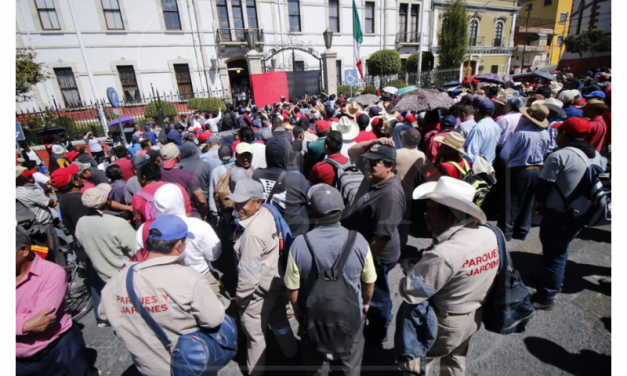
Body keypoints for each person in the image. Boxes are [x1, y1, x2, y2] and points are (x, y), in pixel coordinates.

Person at [98, 215, 226, 375]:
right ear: (179, 245)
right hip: (191, 364)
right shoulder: (189, 278)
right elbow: (213, 319)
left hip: (148, 368)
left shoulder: (118, 279)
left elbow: (104, 315)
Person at [398, 177, 499, 376]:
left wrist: (410, 270)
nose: (425, 216)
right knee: (455, 359)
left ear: (452, 218)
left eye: (431, 210)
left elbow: (411, 292)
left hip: (445, 324)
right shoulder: (490, 234)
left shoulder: (444, 255)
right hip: (473, 315)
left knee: (420, 363)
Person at [284, 184, 376, 375]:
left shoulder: (300, 244)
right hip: (351, 315)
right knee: (349, 365)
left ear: (311, 212)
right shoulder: (358, 240)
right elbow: (368, 281)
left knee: (316, 365)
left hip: (314, 317)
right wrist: (365, 303)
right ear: (343, 209)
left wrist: (298, 312)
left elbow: (292, 288)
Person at [225, 179, 298, 376]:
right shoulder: (268, 213)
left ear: (257, 201)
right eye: (236, 202)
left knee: (255, 335)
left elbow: (249, 276)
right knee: (280, 322)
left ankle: (256, 371)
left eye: (243, 203)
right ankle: (291, 353)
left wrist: (240, 300)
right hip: (275, 283)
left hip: (256, 295)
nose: (237, 208)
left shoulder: (252, 234)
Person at [533, 117, 605, 310]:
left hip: (560, 214)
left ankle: (546, 295)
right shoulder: (595, 155)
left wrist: (539, 205)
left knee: (554, 252)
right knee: (560, 250)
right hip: (582, 212)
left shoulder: (559, 156)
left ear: (565, 134)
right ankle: (553, 279)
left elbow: (543, 187)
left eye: (559, 132)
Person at [345, 139, 405, 344]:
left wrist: (364, 264)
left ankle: (378, 333)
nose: (368, 165)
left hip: (377, 257)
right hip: (366, 248)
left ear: (389, 166)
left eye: (375, 162)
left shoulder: (389, 195)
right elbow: (353, 152)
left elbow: (381, 239)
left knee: (378, 295)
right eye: (369, 161)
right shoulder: (375, 177)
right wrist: (374, 142)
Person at [16, 227, 93, 376]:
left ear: (24, 250)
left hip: (57, 353)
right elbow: (30, 323)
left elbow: (41, 322)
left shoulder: (52, 273)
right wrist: (24, 325)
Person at [135, 184, 227, 305]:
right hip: (200, 278)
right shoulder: (198, 225)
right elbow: (213, 255)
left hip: (162, 285)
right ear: (180, 201)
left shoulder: (145, 228)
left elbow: (140, 257)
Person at [498, 103, 551, 241]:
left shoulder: (521, 134)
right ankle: (521, 231)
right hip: (537, 170)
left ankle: (506, 232)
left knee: (511, 203)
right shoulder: (545, 134)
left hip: (519, 171)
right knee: (528, 202)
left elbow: (505, 155)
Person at [76, 183, 135, 283]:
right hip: (125, 275)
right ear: (108, 201)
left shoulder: (81, 222)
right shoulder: (117, 222)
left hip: (101, 276)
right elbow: (135, 249)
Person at [253, 136, 311, 237]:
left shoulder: (256, 175)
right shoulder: (297, 179)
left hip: (267, 235)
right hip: (293, 237)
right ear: (288, 155)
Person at [16, 166, 65, 267]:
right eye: (21, 176)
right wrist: (51, 199)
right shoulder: (26, 192)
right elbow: (49, 202)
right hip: (43, 225)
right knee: (54, 252)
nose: (24, 177)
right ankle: (62, 272)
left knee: (43, 254)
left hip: (31, 227)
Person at [395, 128, 427, 248]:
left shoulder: (396, 153)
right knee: (404, 222)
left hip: (395, 192)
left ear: (404, 140)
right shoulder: (421, 155)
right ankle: (402, 244)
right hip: (408, 193)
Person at [160, 143, 208, 219]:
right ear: (178, 156)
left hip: (165, 216)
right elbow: (202, 201)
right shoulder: (188, 176)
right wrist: (204, 213)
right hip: (190, 216)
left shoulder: (157, 175)